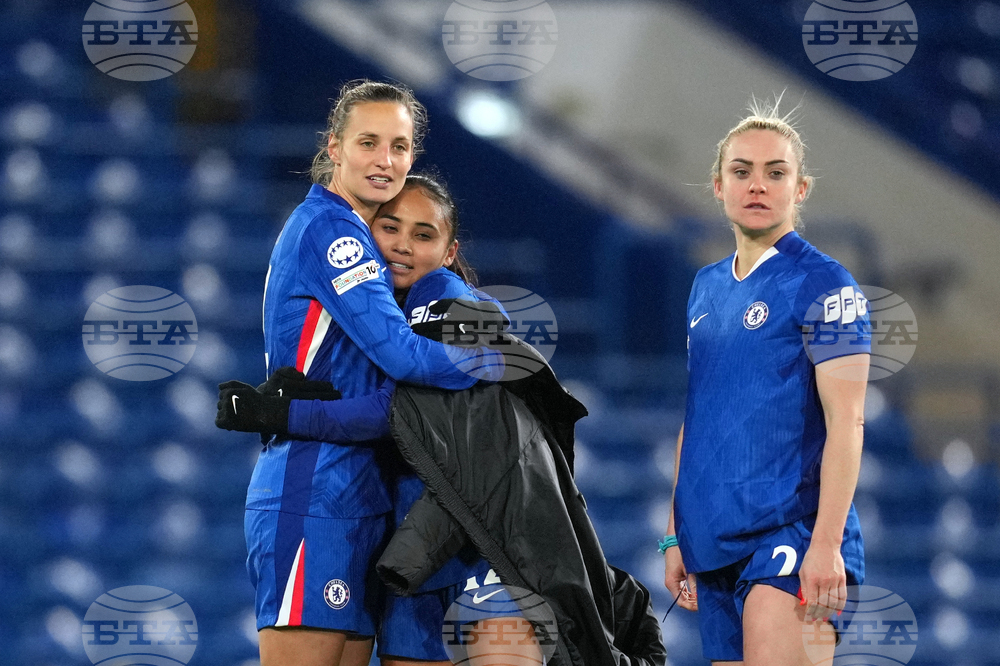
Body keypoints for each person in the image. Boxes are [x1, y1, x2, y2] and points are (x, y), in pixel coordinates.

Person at [236, 80, 501, 666]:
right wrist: (486, 360)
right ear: (334, 148)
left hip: (360, 496)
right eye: (369, 143)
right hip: (314, 488)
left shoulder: (365, 237)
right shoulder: (334, 232)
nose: (386, 161)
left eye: (400, 147)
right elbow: (403, 358)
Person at [662, 97, 871, 665]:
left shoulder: (826, 284)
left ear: (799, 189)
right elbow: (699, 415)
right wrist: (676, 532)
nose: (758, 185)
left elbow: (848, 420)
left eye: (776, 173)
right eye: (742, 171)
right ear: (718, 186)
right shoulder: (705, 288)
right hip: (714, 539)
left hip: (793, 531)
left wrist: (826, 543)